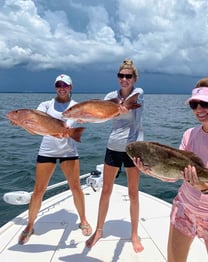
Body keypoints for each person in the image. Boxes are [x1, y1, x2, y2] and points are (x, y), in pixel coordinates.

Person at [134, 77, 208, 262]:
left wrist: (204, 186)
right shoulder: (189, 135)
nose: (199, 110)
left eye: (205, 103)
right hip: (184, 209)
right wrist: (151, 171)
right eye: (194, 105)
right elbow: (173, 177)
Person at [18, 74, 92, 244]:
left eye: (65, 85)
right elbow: (34, 130)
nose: (62, 87)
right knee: (39, 189)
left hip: (69, 151)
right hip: (47, 151)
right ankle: (30, 225)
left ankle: (83, 220)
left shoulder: (76, 107)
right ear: (55, 87)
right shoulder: (45, 105)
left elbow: (79, 123)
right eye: (58, 85)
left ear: (71, 87)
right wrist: (23, 123)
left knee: (76, 187)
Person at [86, 59, 144, 252]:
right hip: (113, 146)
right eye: (121, 76)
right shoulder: (110, 96)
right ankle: (99, 230)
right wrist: (83, 116)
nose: (124, 79)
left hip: (133, 149)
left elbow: (133, 112)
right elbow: (102, 116)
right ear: (117, 78)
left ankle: (134, 234)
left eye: (128, 76)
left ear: (134, 78)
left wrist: (122, 108)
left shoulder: (138, 93)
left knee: (133, 193)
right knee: (106, 190)